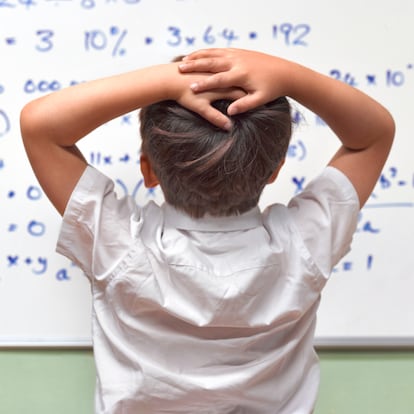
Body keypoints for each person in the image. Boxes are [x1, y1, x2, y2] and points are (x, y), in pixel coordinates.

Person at [20, 48, 394, 413]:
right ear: (276, 170)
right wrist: (290, 76)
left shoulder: (119, 246)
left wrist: (166, 80)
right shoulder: (303, 245)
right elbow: (373, 136)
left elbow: (40, 125)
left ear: (147, 170)